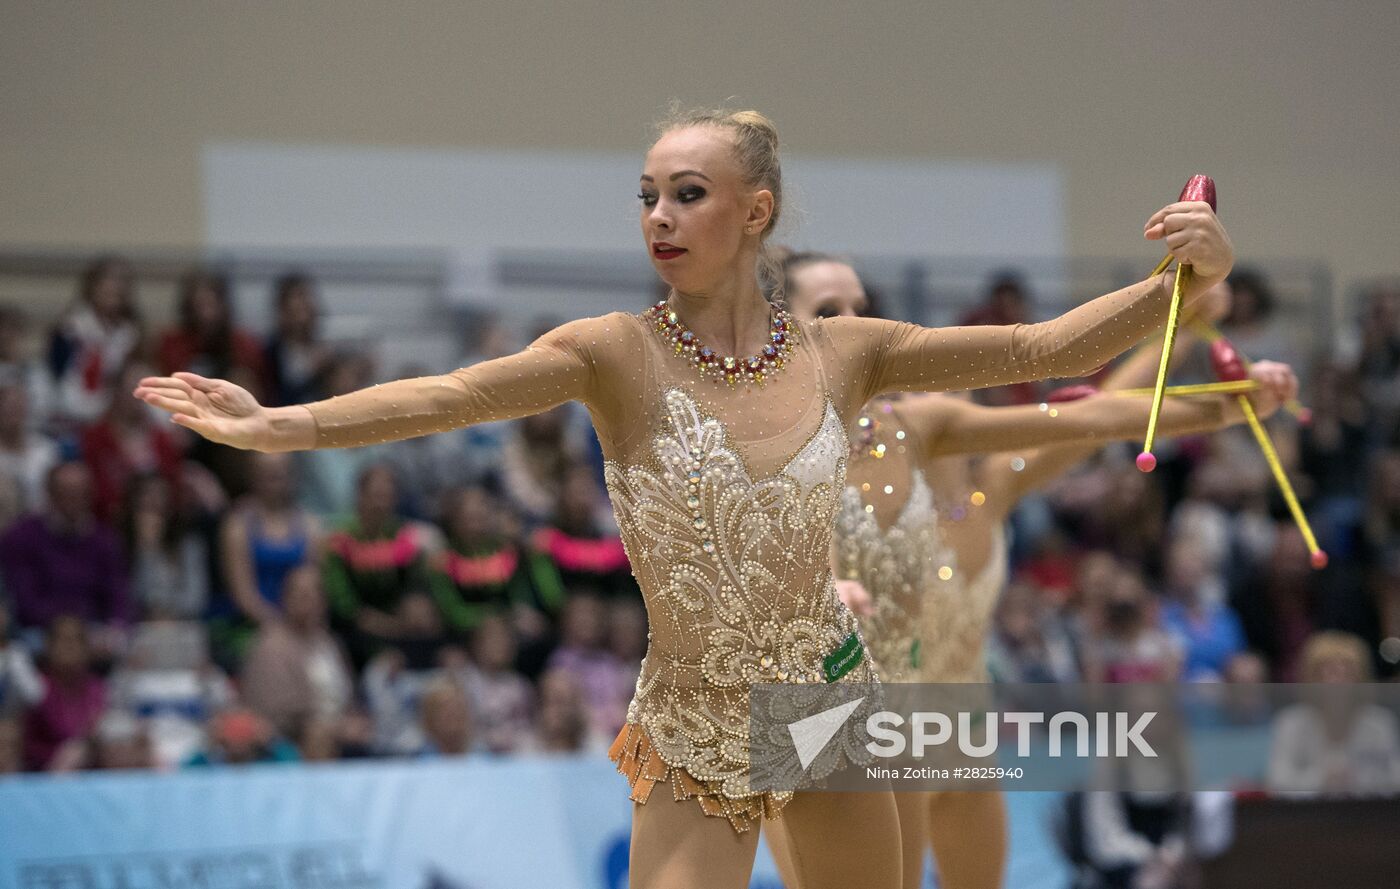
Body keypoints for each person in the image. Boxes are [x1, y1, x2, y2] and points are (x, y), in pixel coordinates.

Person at [135, 107, 1238, 888]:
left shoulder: (844, 350)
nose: (658, 215)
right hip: (694, 714)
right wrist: (284, 423)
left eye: (688, 194)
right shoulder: (614, 351)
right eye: (648, 195)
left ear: (755, 213)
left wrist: (1178, 284)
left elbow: (1038, 345)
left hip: (823, 701)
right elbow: (458, 392)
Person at [777, 252, 1295, 889]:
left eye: (949, 372)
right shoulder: (800, 446)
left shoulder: (978, 476)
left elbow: (1093, 414)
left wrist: (1221, 391)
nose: (937, 382)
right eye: (925, 373)